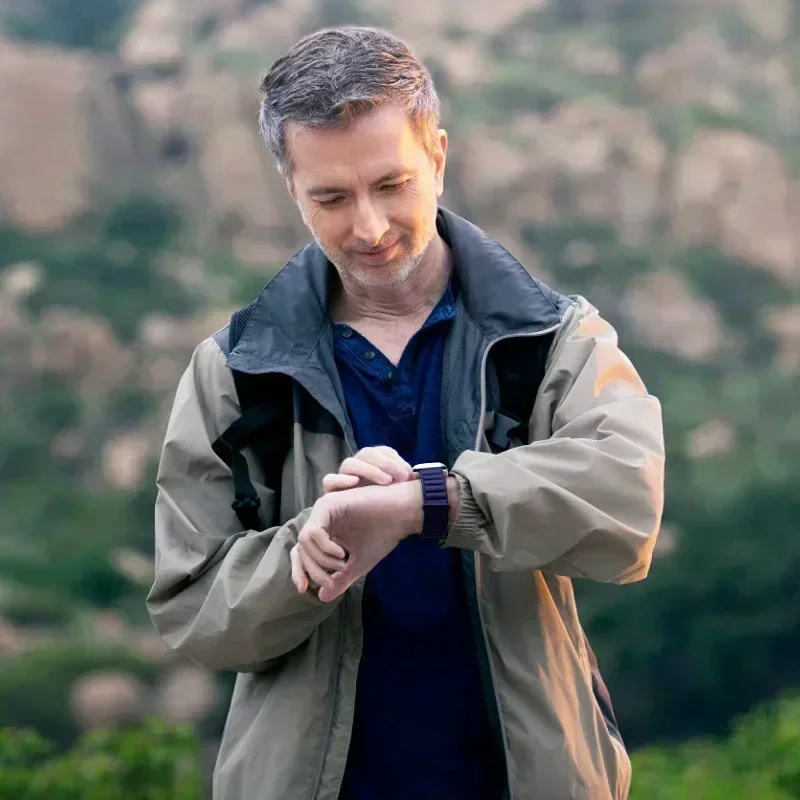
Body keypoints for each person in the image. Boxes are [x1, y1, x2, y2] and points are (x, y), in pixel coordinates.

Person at [147, 25, 665, 800]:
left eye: (391, 184)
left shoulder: (553, 338)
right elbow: (193, 611)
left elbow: (627, 504)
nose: (368, 227)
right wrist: (306, 556)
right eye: (331, 197)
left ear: (439, 158)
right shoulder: (235, 372)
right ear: (291, 188)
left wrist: (428, 504)